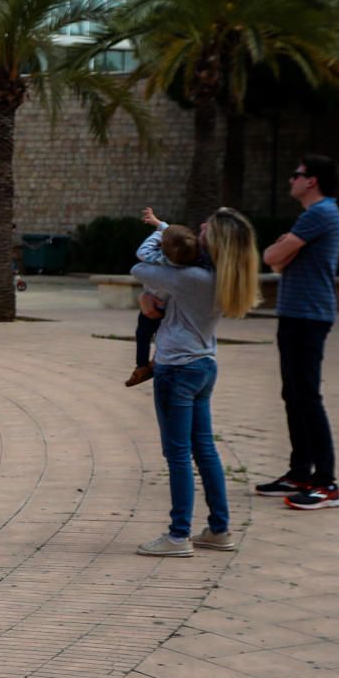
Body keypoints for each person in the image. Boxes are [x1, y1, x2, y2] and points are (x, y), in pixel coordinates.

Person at [131, 207, 259, 557]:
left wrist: (160, 234)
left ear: (214, 241)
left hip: (176, 371)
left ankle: (178, 536)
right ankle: (219, 529)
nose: (199, 226)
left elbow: (139, 267)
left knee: (177, 455)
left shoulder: (191, 278)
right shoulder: (220, 276)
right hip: (203, 366)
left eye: (206, 228)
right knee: (205, 451)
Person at [256, 154, 339, 510]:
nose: (291, 179)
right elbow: (276, 258)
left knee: (306, 395)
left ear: (312, 181)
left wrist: (283, 250)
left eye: (297, 175)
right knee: (293, 393)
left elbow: (271, 256)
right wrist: (283, 251)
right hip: (296, 314)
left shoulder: (320, 214)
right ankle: (300, 473)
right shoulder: (313, 216)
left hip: (310, 316)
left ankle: (326, 483)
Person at [127, 208, 201, 387]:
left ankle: (142, 366)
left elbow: (141, 253)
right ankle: (154, 362)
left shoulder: (155, 259)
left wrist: (159, 232)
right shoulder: (187, 260)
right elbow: (179, 239)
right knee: (163, 334)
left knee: (143, 334)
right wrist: (159, 224)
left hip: (153, 303)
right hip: (169, 306)